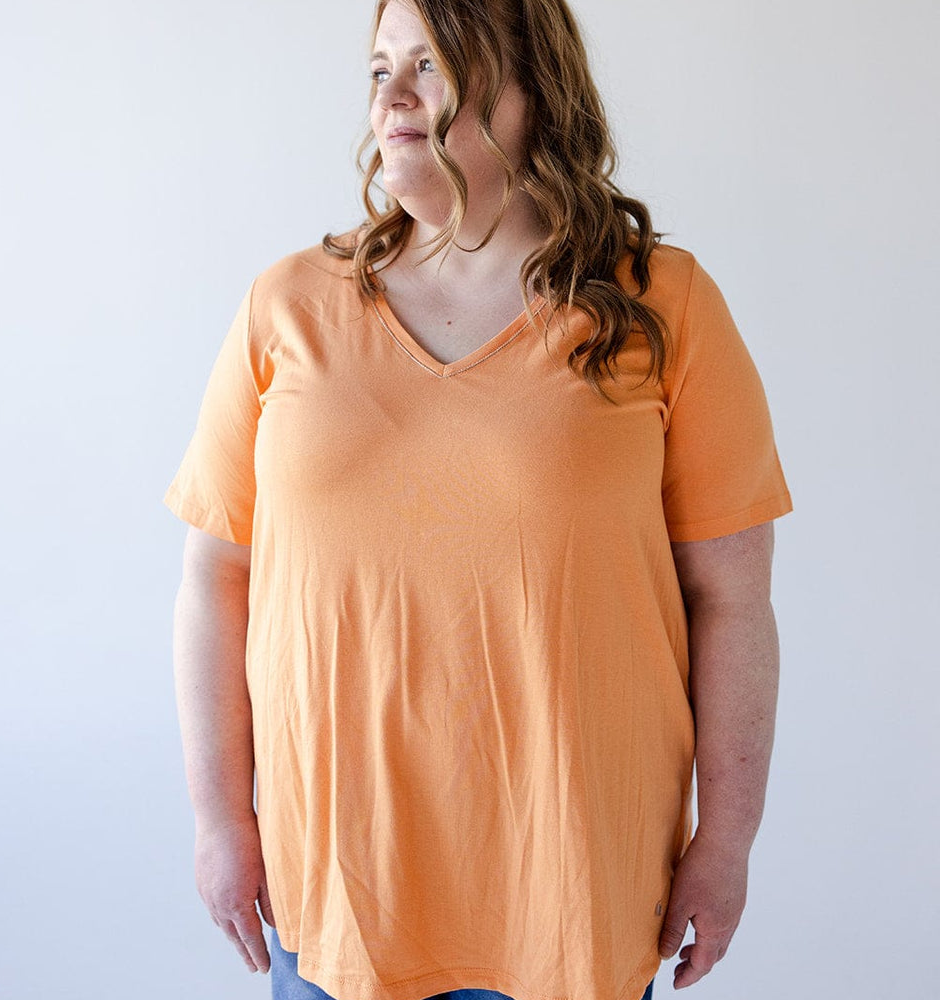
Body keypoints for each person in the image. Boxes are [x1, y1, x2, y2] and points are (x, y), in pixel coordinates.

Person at [164, 1, 793, 999]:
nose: (394, 96)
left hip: (576, 896)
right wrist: (219, 820)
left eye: (432, 61)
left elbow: (732, 597)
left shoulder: (658, 302)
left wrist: (727, 837)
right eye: (380, 68)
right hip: (337, 897)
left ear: (531, 89)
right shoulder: (286, 305)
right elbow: (215, 576)